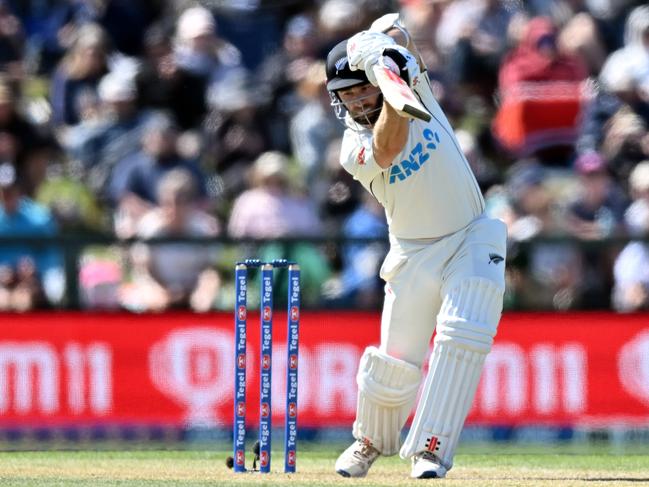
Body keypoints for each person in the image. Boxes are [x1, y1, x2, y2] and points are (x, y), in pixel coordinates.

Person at [325, 14, 507, 480]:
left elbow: (387, 45)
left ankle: (431, 449)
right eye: (350, 94)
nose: (360, 98)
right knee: (394, 362)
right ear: (339, 101)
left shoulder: (414, 81)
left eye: (363, 88)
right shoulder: (353, 148)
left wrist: (379, 58)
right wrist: (389, 92)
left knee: (463, 335)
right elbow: (389, 148)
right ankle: (369, 440)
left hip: (471, 234)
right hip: (413, 251)